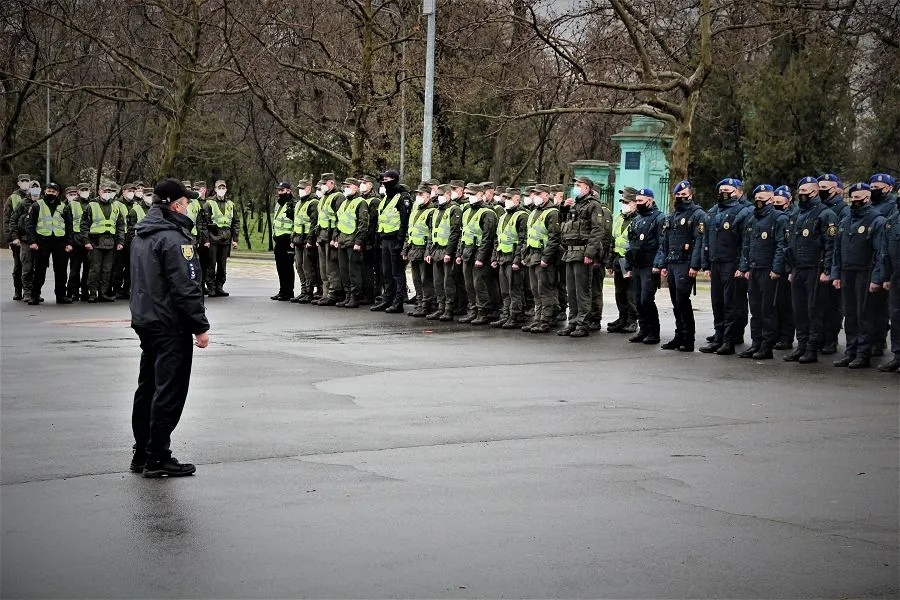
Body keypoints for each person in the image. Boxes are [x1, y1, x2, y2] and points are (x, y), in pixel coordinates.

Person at [129, 179, 209, 477]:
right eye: (186, 202)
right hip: (169, 323)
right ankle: (158, 455)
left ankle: (142, 450)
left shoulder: (142, 234)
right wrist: (199, 326)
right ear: (176, 205)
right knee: (169, 390)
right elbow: (186, 287)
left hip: (146, 319)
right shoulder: (175, 239)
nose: (189, 206)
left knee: (147, 386)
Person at [782, 176, 838, 364]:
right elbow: (790, 242)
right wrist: (790, 268)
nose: (801, 195)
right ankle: (802, 345)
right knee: (799, 310)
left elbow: (831, 245)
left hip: (815, 268)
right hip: (798, 268)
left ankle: (812, 348)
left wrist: (827, 270)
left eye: (805, 192)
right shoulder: (797, 213)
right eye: (800, 192)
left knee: (813, 310)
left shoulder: (825, 214)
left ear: (815, 192)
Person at [831, 183, 886, 369]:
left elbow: (881, 253)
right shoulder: (845, 221)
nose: (855, 202)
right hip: (847, 272)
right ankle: (851, 351)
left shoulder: (876, 220)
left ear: (868, 198)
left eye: (859, 198)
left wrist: (877, 278)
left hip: (865, 272)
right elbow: (837, 250)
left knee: (864, 315)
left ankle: (863, 353)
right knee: (851, 315)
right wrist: (836, 273)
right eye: (853, 198)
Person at [700, 178, 753, 355]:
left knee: (732, 303)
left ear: (738, 192)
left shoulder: (745, 211)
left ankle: (729, 340)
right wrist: (706, 262)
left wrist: (743, 266)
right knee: (717, 302)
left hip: (732, 262)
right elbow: (706, 239)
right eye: (721, 189)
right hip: (716, 262)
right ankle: (719, 336)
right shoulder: (714, 211)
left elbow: (746, 242)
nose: (724, 192)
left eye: (728, 190)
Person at [736, 184, 788, 359]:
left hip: (768, 270)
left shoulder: (779, 218)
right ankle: (756, 343)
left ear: (771, 200)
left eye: (762, 199)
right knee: (755, 309)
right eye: (756, 199)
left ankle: (767, 346)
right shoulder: (752, 219)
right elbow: (747, 245)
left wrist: (776, 268)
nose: (759, 202)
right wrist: (744, 267)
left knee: (768, 310)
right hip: (754, 268)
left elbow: (782, 246)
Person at [557, 177, 609, 338]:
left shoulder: (593, 205)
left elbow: (597, 231)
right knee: (571, 291)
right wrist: (563, 209)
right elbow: (562, 226)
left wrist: (590, 253)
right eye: (575, 185)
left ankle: (582, 323)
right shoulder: (573, 205)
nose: (575, 188)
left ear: (587, 188)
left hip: (582, 252)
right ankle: (572, 322)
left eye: (578, 185)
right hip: (570, 252)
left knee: (582, 291)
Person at [657, 180, 706, 352]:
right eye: (678, 195)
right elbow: (666, 241)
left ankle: (688, 338)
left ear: (691, 195)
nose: (680, 198)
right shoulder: (672, 215)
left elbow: (699, 241)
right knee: (675, 303)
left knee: (683, 301)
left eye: (684, 195)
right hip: (672, 262)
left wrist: (695, 265)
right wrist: (664, 263)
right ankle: (679, 336)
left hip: (685, 263)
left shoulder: (697, 214)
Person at [622, 188, 664, 344]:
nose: (638, 204)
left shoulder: (659, 218)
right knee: (638, 300)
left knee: (647, 299)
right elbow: (631, 244)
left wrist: (658, 264)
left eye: (641, 201)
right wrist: (628, 265)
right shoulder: (637, 219)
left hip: (650, 265)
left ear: (650, 201)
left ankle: (654, 332)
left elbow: (662, 244)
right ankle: (644, 329)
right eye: (637, 201)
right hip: (637, 265)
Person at [458, 183, 499, 325]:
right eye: (468, 194)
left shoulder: (488, 213)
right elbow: (463, 234)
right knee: (469, 284)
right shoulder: (467, 211)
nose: (469, 197)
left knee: (479, 284)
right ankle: (473, 310)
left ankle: (484, 312)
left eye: (472, 194)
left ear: (481, 195)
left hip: (480, 254)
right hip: (467, 252)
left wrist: (481, 258)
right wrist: (459, 253)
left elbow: (488, 238)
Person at [26, 182, 73, 305]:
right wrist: (33, 241)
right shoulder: (37, 205)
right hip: (42, 241)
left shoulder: (64, 207)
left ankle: (61, 296)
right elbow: (30, 225)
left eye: (53, 191)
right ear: (45, 192)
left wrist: (69, 243)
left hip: (60, 241)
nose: (51, 193)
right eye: (49, 191)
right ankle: (34, 296)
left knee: (61, 270)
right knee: (39, 270)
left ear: (57, 193)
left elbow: (69, 226)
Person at [521, 185, 560, 333]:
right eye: (534, 194)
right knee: (535, 289)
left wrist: (546, 257)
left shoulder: (552, 212)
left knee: (545, 289)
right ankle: (537, 319)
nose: (535, 196)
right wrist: (525, 255)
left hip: (543, 256)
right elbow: (528, 235)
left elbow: (554, 238)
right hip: (532, 255)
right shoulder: (534, 212)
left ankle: (546, 319)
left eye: (538, 194)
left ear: (546, 195)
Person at [818, 174, 848, 355]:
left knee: (833, 305)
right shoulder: (818, 208)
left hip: (833, 262)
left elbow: (837, 241)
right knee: (819, 305)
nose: (822, 190)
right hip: (817, 262)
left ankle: (830, 339)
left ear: (836, 189)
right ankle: (820, 337)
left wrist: (832, 268)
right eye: (819, 186)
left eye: (825, 187)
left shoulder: (843, 210)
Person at [79, 183, 125, 303]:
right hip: (95, 242)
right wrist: (86, 241)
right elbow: (84, 225)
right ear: (99, 192)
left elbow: (120, 225)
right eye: (105, 191)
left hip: (110, 242)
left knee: (107, 270)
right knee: (94, 269)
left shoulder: (115, 206)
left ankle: (103, 293)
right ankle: (93, 294)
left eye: (109, 191)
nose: (107, 193)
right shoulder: (91, 206)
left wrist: (121, 241)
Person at [374, 169, 412, 313]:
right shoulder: (385, 198)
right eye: (383, 180)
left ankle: (398, 302)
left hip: (396, 240)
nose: (384, 182)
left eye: (387, 179)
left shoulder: (403, 197)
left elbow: (404, 222)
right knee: (386, 272)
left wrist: (400, 242)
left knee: (397, 273)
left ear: (394, 180)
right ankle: (387, 299)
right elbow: (381, 219)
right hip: (385, 239)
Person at [868, 173, 897, 357]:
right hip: (867, 261)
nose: (874, 190)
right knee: (868, 307)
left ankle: (878, 342)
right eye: (871, 187)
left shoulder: (892, 208)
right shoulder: (868, 206)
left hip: (882, 261)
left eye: (878, 186)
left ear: (889, 188)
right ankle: (870, 340)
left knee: (880, 307)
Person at [490, 188, 528, 328]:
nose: (506, 201)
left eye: (509, 198)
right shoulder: (503, 216)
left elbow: (523, 240)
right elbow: (497, 239)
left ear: (517, 199)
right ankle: (506, 315)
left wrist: (517, 260)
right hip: (502, 257)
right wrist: (495, 257)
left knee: (514, 290)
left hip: (513, 258)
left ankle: (515, 316)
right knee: (505, 291)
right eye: (505, 198)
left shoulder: (522, 216)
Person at [427, 184, 462, 321]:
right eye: (438, 195)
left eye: (442, 195)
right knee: (438, 282)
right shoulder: (436, 211)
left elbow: (455, 233)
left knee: (448, 282)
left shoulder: (454, 209)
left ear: (448, 194)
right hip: (436, 250)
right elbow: (432, 232)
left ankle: (448, 309)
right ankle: (440, 308)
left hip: (447, 251)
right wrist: (429, 252)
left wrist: (449, 252)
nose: (439, 198)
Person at [607, 188, 639, 333]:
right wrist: (610, 261)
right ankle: (622, 317)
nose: (624, 204)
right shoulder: (620, 217)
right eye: (623, 202)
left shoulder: (638, 219)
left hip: (630, 261)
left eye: (627, 202)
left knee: (631, 293)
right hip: (619, 260)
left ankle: (632, 320)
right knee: (619, 292)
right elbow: (613, 240)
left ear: (635, 203)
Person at [875, 192, 900, 372]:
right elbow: (884, 251)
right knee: (896, 317)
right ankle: (898, 356)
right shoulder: (893, 218)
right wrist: (885, 276)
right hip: (896, 275)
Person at [202, 179, 240, 297]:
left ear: (226, 189)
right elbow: (204, 223)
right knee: (211, 264)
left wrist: (235, 239)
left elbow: (235, 222)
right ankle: (211, 287)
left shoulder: (231, 204)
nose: (221, 190)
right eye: (219, 188)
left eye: (223, 188)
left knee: (222, 265)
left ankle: (219, 287)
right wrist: (206, 239)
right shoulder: (208, 203)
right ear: (215, 189)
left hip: (226, 237)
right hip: (213, 236)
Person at [403, 184, 437, 317]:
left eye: (421, 194)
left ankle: (428, 305)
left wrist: (428, 252)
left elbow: (431, 233)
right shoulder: (416, 209)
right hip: (414, 248)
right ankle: (420, 303)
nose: (418, 197)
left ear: (428, 195)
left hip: (424, 249)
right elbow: (409, 231)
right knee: (416, 279)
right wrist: (405, 249)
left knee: (425, 279)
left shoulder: (431, 211)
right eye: (417, 194)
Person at [334, 177, 368, 308]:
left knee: (353, 271)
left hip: (353, 241)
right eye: (345, 186)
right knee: (344, 271)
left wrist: (358, 241)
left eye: (348, 186)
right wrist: (336, 237)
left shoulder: (361, 202)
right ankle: (347, 295)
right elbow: (339, 221)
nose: (346, 188)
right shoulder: (344, 203)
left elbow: (362, 223)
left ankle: (355, 297)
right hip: (342, 241)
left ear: (356, 187)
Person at [314, 173, 345, 305]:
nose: (322, 186)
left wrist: (335, 237)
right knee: (323, 268)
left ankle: (335, 292)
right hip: (322, 236)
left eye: (325, 183)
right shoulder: (323, 198)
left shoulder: (338, 197)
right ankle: (326, 293)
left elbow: (339, 219)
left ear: (331, 183)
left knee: (332, 267)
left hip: (331, 236)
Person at [772, 186, 796, 349]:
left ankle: (786, 337)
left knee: (785, 304)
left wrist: (787, 269)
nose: (776, 204)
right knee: (774, 304)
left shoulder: (790, 218)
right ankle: (776, 335)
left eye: (779, 202)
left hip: (785, 268)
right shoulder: (773, 217)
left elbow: (787, 246)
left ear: (788, 202)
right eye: (774, 202)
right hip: (773, 265)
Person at [291, 179, 321, 303]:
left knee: (307, 267)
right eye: (299, 188)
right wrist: (292, 238)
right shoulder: (299, 203)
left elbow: (314, 222)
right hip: (297, 238)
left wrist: (310, 240)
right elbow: (296, 222)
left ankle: (309, 291)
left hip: (306, 240)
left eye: (302, 188)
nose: (300, 191)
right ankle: (303, 290)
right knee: (299, 266)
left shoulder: (313, 203)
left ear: (309, 188)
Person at [3, 173, 31, 300]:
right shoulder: (12, 198)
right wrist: (11, 238)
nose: (25, 183)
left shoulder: (34, 196)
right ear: (18, 183)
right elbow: (7, 219)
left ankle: (28, 291)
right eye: (23, 181)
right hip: (17, 238)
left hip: (29, 238)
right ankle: (18, 291)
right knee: (18, 266)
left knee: (29, 265)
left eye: (27, 181)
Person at [65, 184, 91, 300]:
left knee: (87, 269)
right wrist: (69, 241)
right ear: (78, 191)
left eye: (87, 190)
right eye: (82, 190)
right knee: (74, 269)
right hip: (75, 240)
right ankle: (72, 292)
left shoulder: (92, 204)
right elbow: (68, 224)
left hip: (88, 240)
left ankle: (85, 291)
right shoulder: (72, 204)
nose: (85, 191)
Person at [271, 181, 296, 301]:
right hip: (278, 239)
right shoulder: (278, 204)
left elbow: (295, 222)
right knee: (280, 267)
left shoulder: (292, 203)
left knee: (287, 267)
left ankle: (288, 291)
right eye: (279, 190)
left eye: (282, 190)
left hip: (288, 240)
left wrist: (292, 238)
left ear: (288, 191)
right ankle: (282, 290)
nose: (279, 192)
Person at [111, 183, 137, 299]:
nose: (131, 192)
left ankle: (127, 289)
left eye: (133, 190)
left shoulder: (136, 204)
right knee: (118, 266)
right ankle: (116, 289)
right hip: (121, 238)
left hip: (132, 238)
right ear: (123, 191)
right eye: (129, 190)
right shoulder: (116, 203)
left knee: (130, 266)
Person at [358, 175, 381, 304]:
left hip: (370, 240)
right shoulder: (360, 199)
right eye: (361, 182)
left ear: (371, 185)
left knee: (369, 268)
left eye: (364, 183)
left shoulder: (375, 201)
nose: (362, 185)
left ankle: (370, 294)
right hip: (361, 238)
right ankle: (364, 292)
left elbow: (372, 223)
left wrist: (368, 240)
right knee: (362, 268)